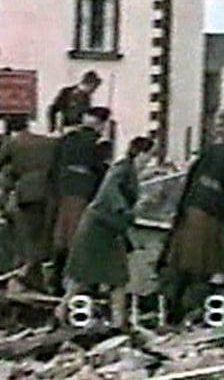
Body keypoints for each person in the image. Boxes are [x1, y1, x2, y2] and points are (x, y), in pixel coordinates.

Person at [56, 137, 153, 330]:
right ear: (140, 153)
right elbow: (111, 190)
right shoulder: (122, 169)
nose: (149, 159)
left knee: (115, 277)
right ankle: (63, 310)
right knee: (87, 275)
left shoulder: (129, 170)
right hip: (99, 229)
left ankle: (117, 321)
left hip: (107, 229)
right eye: (149, 155)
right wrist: (125, 210)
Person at [160, 120, 224, 323]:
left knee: (184, 266)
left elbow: (190, 180)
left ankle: (174, 311)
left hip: (192, 209)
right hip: (211, 215)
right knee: (203, 269)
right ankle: (190, 313)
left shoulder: (208, 152)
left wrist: (179, 213)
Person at [48, 106, 111, 294]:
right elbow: (100, 173)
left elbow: (54, 167)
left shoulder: (67, 140)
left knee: (62, 238)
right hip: (83, 195)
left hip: (63, 192)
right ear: (100, 125)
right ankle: (83, 284)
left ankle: (56, 280)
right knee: (81, 240)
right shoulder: (97, 145)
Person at [0, 116, 57, 290]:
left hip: (28, 193)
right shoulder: (48, 142)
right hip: (51, 193)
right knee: (45, 236)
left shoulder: (14, 143)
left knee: (28, 236)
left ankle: (29, 276)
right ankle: (40, 278)